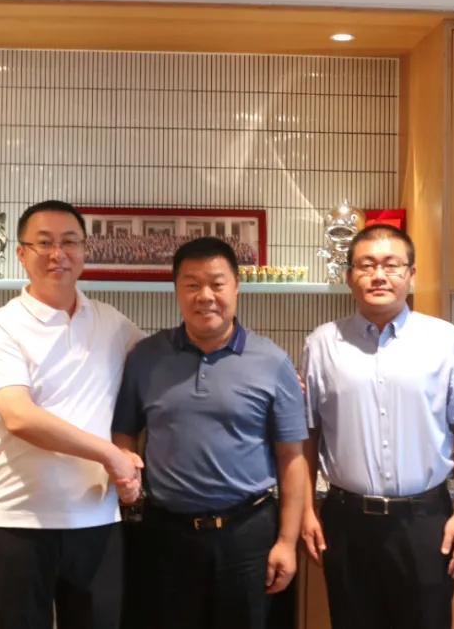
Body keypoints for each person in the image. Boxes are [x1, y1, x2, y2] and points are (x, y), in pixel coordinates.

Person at [112, 236, 309, 629]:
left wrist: (287, 543)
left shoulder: (272, 361)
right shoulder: (146, 357)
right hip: (165, 532)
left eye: (217, 284)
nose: (205, 296)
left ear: (236, 287)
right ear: (176, 290)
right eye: (192, 284)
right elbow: (124, 432)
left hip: (249, 533)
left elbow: (292, 457)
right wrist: (126, 470)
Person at [299, 223, 454, 629]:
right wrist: (306, 509)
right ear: (349, 276)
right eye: (366, 265)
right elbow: (308, 436)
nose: (379, 275)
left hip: (425, 522)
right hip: (346, 521)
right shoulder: (321, 344)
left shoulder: (446, 341)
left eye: (391, 265)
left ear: (411, 274)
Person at [0, 200, 146, 629]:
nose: (58, 254)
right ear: (21, 253)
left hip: (96, 521)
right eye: (44, 243)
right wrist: (110, 454)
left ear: (85, 250)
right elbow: (19, 416)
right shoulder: (1, 326)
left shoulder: (112, 323)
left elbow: (162, 369)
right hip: (18, 522)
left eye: (70, 242)